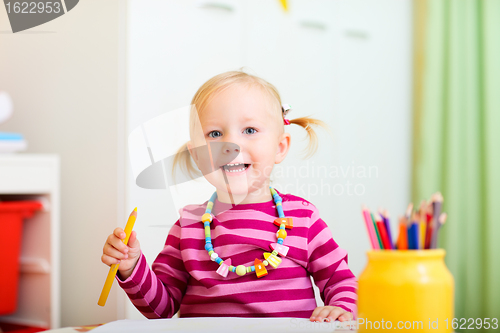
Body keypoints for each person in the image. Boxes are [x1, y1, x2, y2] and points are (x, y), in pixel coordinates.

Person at [102, 70, 357, 322]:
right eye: (215, 134)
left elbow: (341, 280)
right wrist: (132, 266)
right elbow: (161, 309)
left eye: (249, 130)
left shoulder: (303, 218)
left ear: (280, 148)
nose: (231, 144)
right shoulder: (188, 225)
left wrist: (341, 308)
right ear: (198, 156)